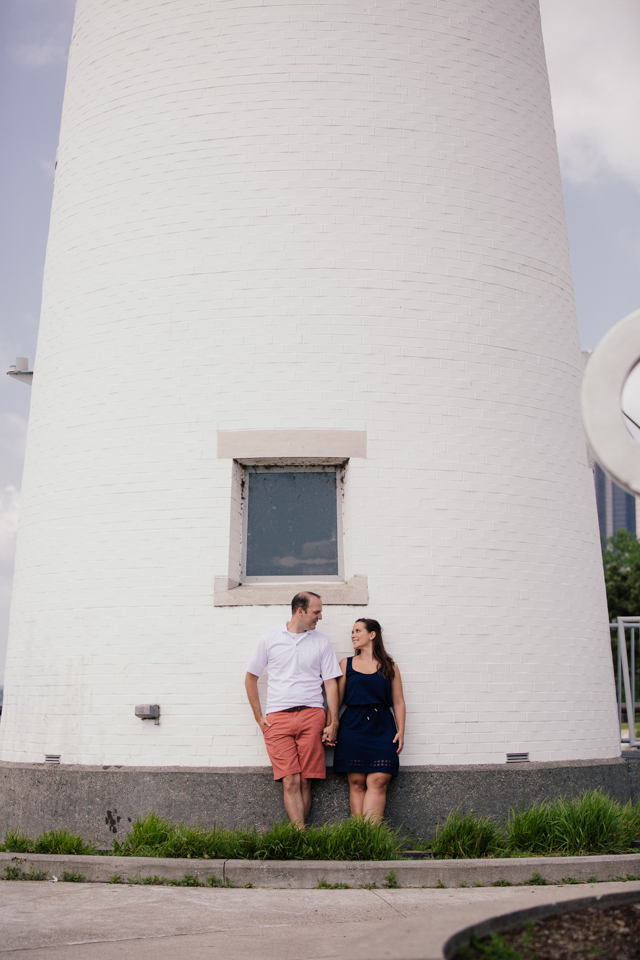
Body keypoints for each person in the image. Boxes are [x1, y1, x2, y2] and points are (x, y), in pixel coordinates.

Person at [245, 591, 342, 829]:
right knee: (290, 780)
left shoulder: (321, 642)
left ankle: (299, 837)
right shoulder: (269, 639)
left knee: (307, 780)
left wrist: (334, 721)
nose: (320, 617)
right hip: (278, 717)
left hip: (312, 715)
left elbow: (330, 683)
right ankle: (300, 836)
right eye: (316, 612)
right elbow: (250, 678)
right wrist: (259, 717)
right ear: (301, 610)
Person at [333, 618, 405, 822]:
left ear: (372, 635)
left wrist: (401, 730)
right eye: (352, 631)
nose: (353, 635)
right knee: (356, 782)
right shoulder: (346, 664)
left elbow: (398, 701)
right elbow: (336, 700)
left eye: (358, 631)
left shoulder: (389, 666)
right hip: (353, 726)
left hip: (383, 725)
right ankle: (360, 838)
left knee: (380, 780)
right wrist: (332, 725)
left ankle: (372, 838)